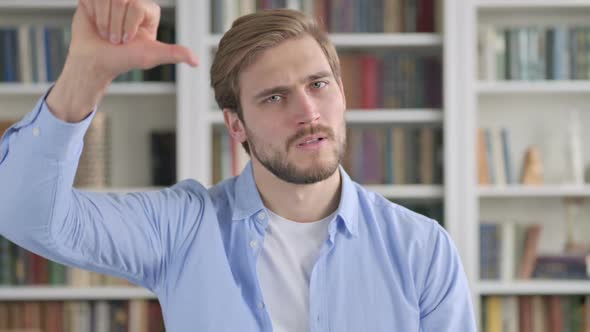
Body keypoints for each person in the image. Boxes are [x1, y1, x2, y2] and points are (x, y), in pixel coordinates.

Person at [0, 0, 476, 331]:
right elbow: (24, 215)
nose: (308, 112)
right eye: (274, 97)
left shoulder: (422, 249)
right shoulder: (180, 229)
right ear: (237, 125)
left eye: (318, 85)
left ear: (342, 93)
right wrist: (85, 75)